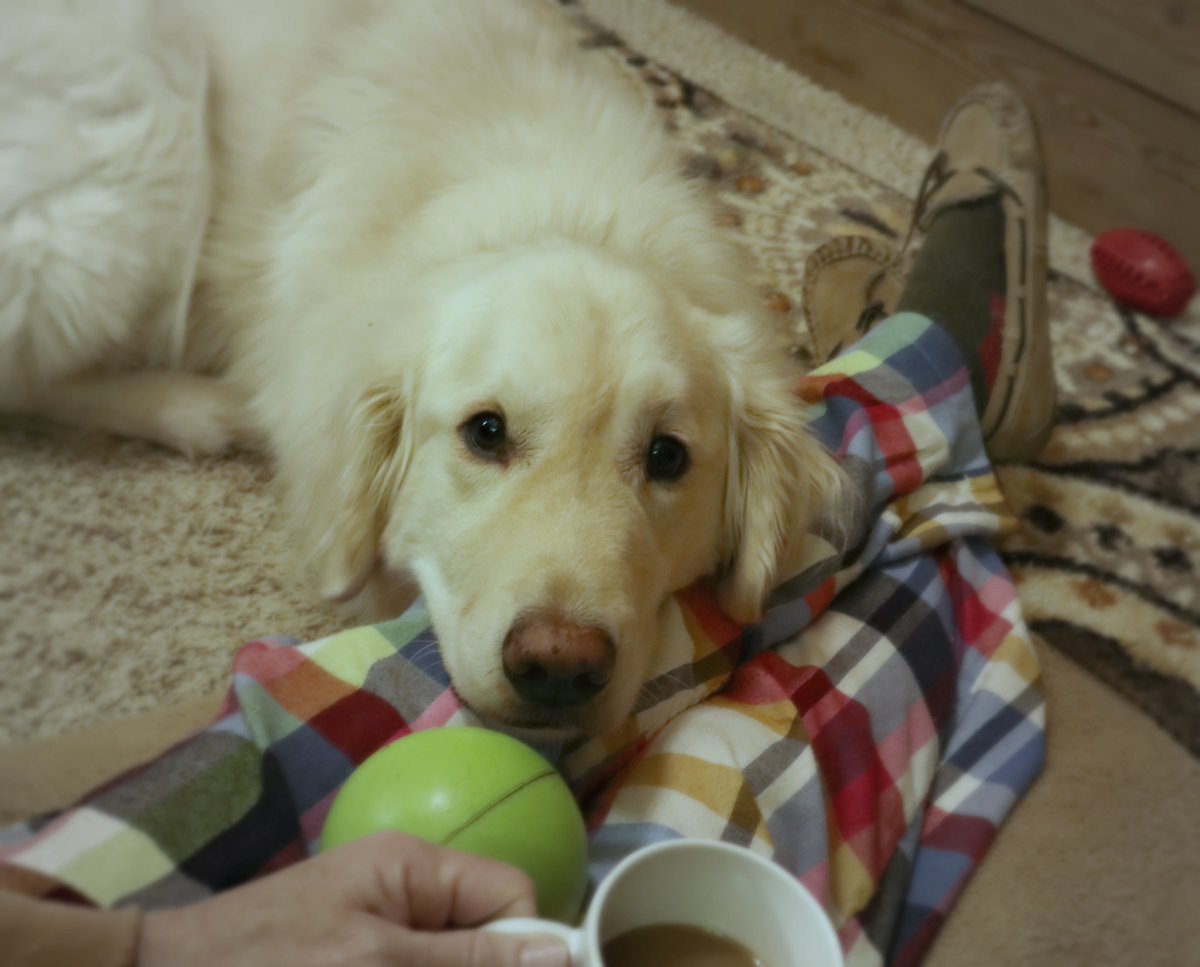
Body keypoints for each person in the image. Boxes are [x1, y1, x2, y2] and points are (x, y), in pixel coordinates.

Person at [0, 82, 1054, 966]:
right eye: (490, 433)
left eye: (666, 456)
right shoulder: (390, 375)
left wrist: (146, 945)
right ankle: (941, 361)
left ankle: (936, 371)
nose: (564, 631)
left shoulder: (735, 412)